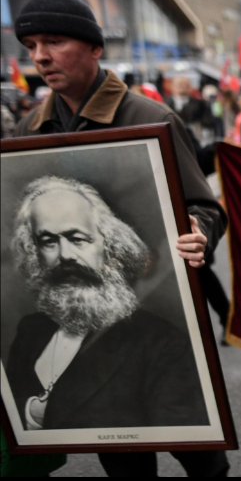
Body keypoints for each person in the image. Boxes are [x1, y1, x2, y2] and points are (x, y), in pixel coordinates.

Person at [13, 0, 228, 477]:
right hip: (85, 333)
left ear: (93, 48)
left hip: (160, 315)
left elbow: (203, 205)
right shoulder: (29, 130)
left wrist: (199, 231)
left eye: (53, 41)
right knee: (124, 455)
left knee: (198, 451)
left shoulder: (153, 119)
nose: (40, 57)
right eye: (30, 46)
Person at [6, 176, 209, 430]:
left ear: (109, 245)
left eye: (78, 238)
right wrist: (30, 411)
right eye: (48, 242)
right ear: (35, 251)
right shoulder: (31, 330)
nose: (65, 255)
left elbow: (189, 436)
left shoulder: (159, 342)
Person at [166, 75, 216, 141]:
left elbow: (207, 122)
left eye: (186, 85)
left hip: (194, 139)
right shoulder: (166, 103)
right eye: (180, 84)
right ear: (173, 86)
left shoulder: (199, 104)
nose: (183, 87)